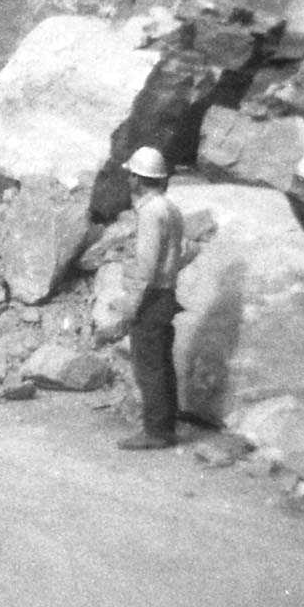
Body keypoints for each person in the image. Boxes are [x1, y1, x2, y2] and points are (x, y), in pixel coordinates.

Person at [116, 145, 184, 450]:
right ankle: (165, 426)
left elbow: (146, 265)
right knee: (162, 363)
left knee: (148, 366)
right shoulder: (170, 208)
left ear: (137, 178)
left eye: (131, 174)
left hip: (152, 296)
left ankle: (155, 432)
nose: (128, 179)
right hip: (167, 292)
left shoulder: (150, 213)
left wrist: (132, 305)